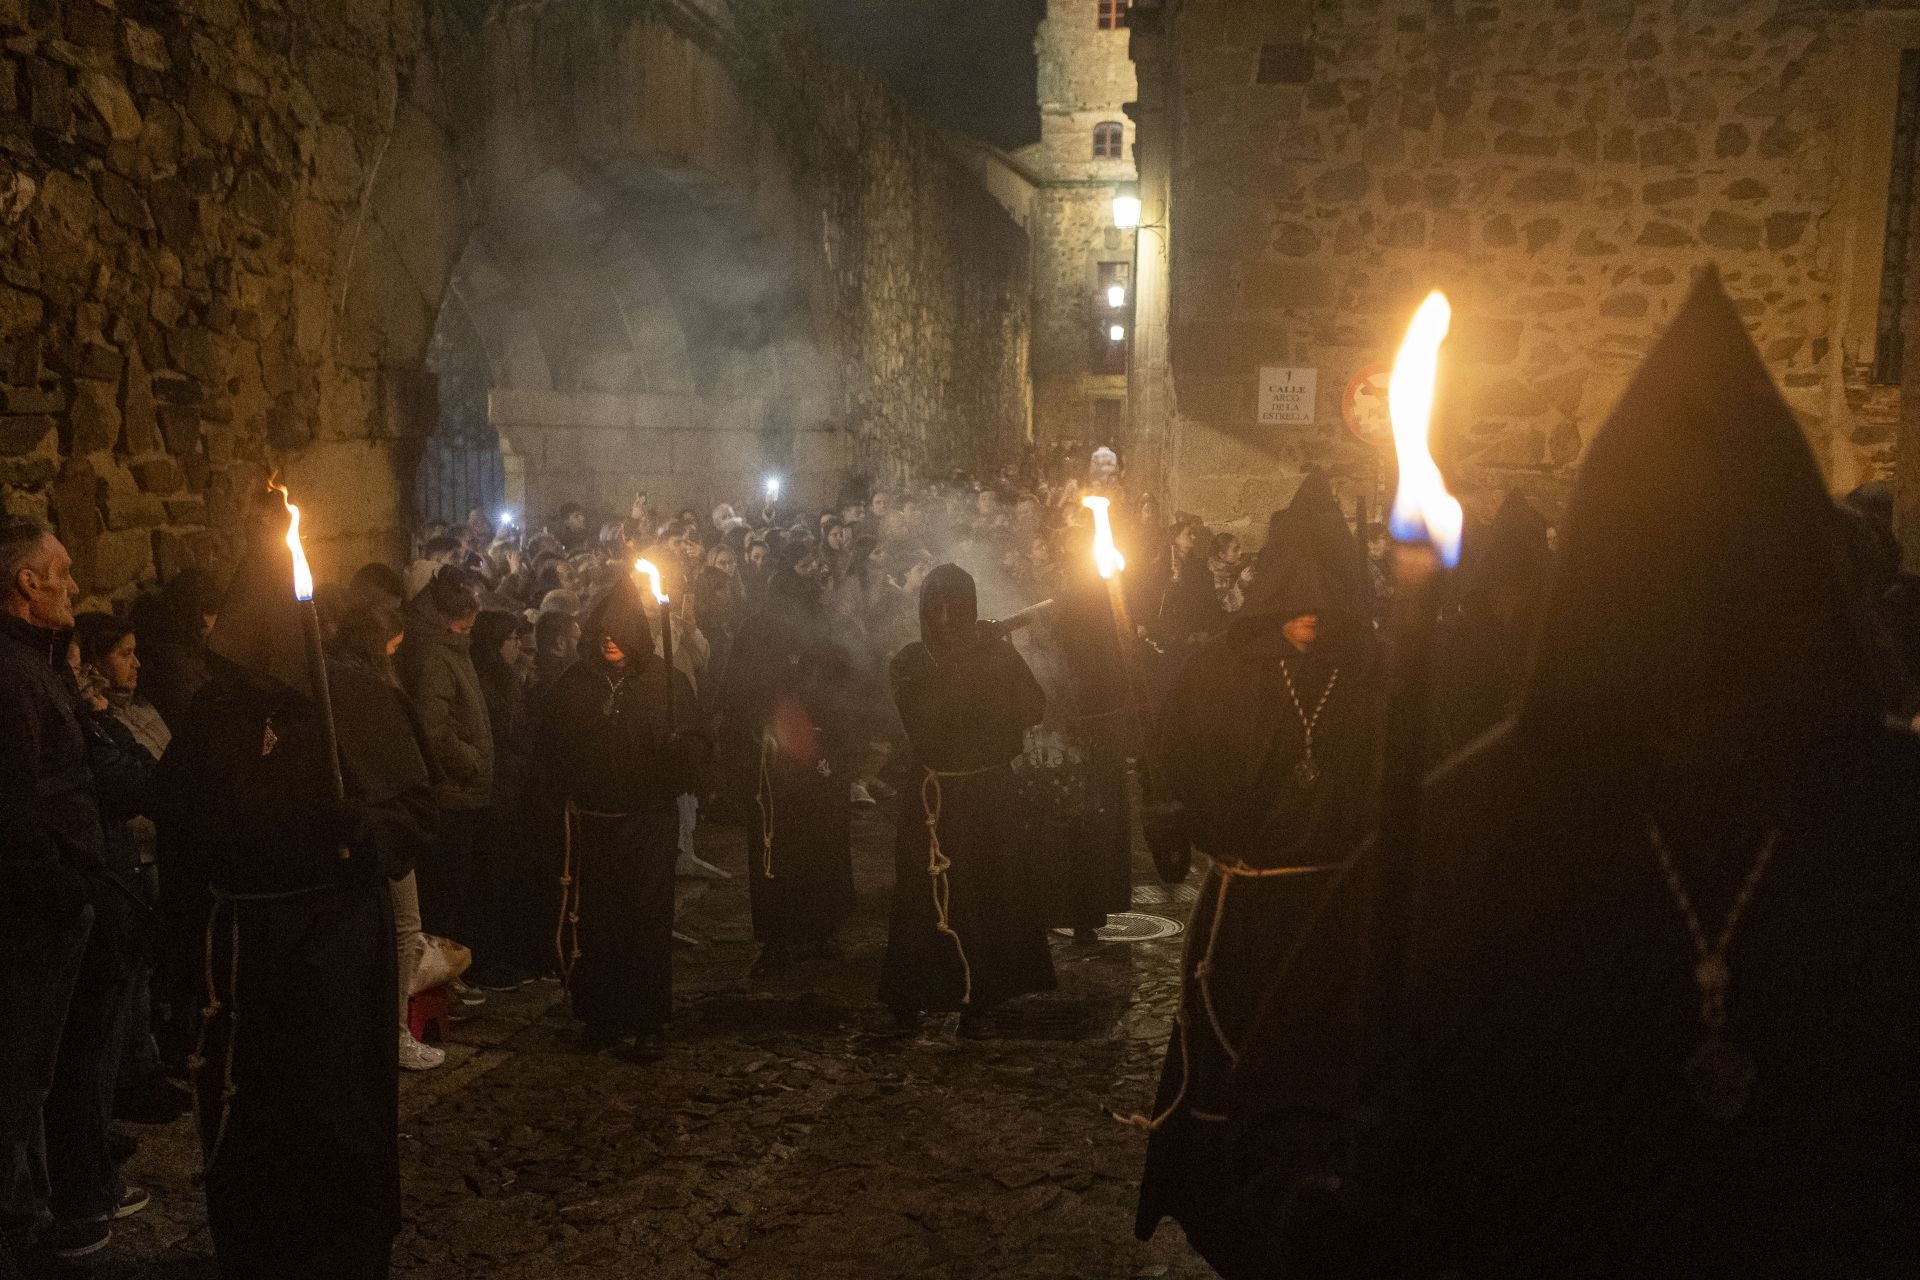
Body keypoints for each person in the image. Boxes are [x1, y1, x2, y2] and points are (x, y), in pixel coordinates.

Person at [1211, 272, 1920, 1279]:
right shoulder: (1488, 823)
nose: (1706, 646)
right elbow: (1294, 1098)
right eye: (1669, 593)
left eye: (1740, 597)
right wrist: (1333, 1215)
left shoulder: (1890, 817)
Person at [156, 495, 435, 1278]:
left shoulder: (359, 699)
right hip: (245, 957)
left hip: (337, 948)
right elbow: (181, 841)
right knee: (254, 1115)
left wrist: (370, 830)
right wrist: (179, 963)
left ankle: (345, 1251)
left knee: (336, 1109)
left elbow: (419, 813)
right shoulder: (212, 717)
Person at [1132, 468, 1381, 1254]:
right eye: (1294, 601)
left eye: (1325, 602)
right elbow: (1172, 761)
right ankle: (1234, 1215)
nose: (1310, 615)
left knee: (1326, 1083)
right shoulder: (1221, 670)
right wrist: (1168, 813)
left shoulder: (1378, 674)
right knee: (1233, 1071)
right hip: (1246, 918)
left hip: (1340, 919)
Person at [0, 520, 147, 1268]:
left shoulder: (39, 662)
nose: (75, 585)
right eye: (61, 572)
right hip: (37, 916)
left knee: (47, 1070)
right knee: (23, 1075)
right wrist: (69, 894)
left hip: (62, 902)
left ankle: (41, 1209)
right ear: (27, 583)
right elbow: (18, 806)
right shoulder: (12, 675)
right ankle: (20, 1231)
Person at [532, 575, 701, 1059]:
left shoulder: (667, 683)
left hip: (647, 821)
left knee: (646, 920)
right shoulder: (575, 685)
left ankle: (649, 1022)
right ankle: (600, 1015)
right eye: (602, 633)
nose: (609, 641)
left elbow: (696, 752)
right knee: (598, 922)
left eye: (619, 633)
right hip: (595, 822)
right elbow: (550, 750)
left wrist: (681, 753)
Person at [881, 565, 1053, 1035]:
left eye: (954, 608)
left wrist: (1001, 658)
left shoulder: (995, 653)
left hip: (987, 795)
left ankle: (983, 995)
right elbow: (930, 724)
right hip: (934, 798)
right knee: (924, 896)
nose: (944, 619)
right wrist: (973, 660)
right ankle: (913, 994)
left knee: (989, 892)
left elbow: (1033, 706)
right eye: (934, 609)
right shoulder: (911, 661)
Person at [719, 569, 860, 973]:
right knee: (773, 852)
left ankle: (823, 930)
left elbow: (846, 690)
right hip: (772, 770)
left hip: (818, 764)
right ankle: (776, 938)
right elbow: (735, 695)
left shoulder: (825, 630)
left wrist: (832, 741)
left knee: (822, 849)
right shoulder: (754, 634)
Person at [398, 566, 495, 975]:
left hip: (463, 791)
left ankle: (448, 974)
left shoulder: (452, 650)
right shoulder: (438, 657)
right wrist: (470, 760)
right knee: (445, 893)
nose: (470, 631)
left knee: (456, 889)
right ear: (448, 620)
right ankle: (439, 978)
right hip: (453, 793)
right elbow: (434, 727)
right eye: (465, 625)